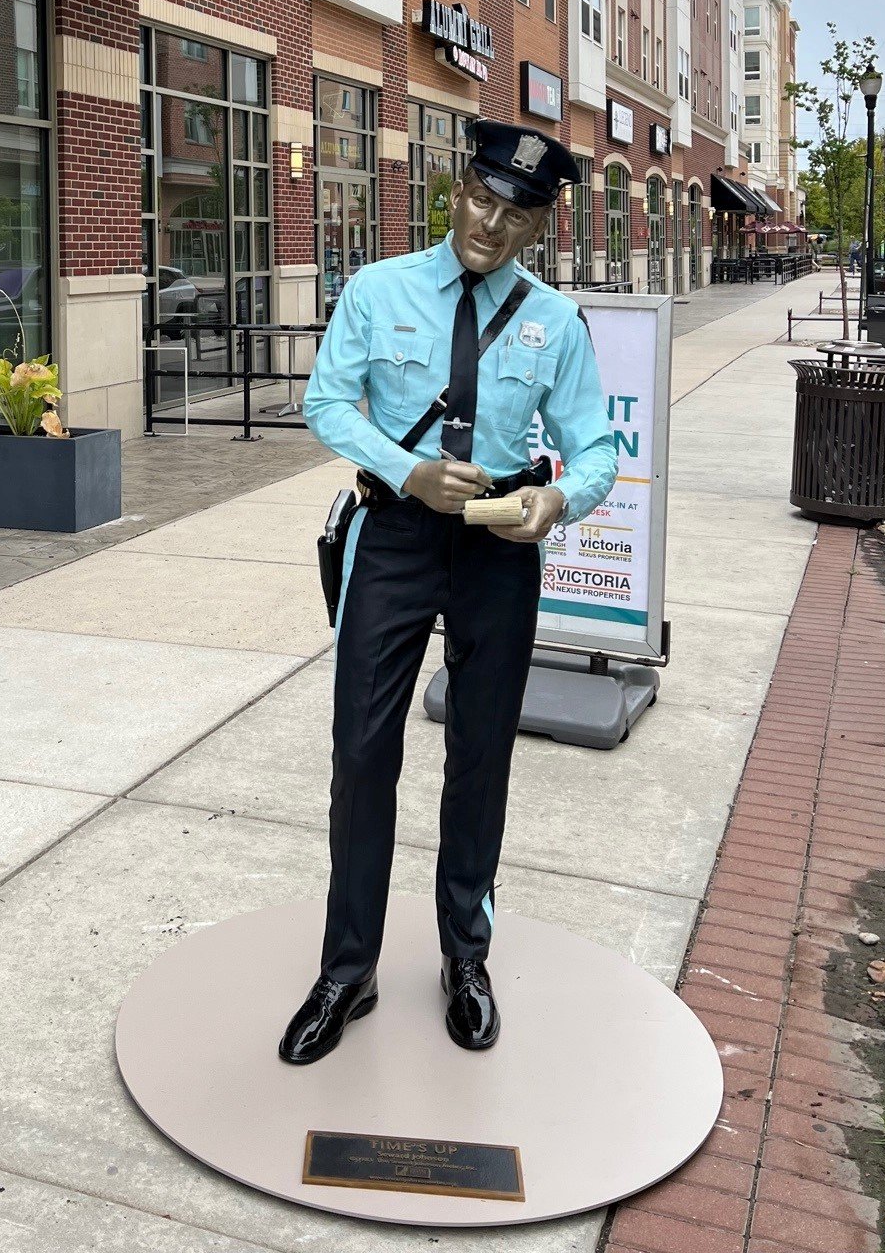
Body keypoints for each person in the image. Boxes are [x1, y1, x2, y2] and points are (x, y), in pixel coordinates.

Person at [281, 122, 618, 1065]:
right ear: (455, 191)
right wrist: (407, 471)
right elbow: (325, 403)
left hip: (498, 550)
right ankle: (348, 969)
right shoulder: (377, 290)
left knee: (480, 759)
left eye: (516, 215)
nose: (491, 226)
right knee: (363, 752)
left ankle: (465, 958)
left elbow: (595, 445)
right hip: (392, 536)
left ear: (538, 228)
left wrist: (555, 499)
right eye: (480, 200)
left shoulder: (554, 322)